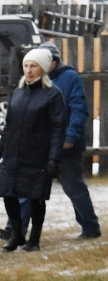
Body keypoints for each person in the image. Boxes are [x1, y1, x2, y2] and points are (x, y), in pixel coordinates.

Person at [0, 49, 66, 252]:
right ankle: (17, 235)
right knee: (8, 193)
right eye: (26, 66)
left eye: (34, 66)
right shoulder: (18, 92)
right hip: (14, 154)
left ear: (43, 69)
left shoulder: (53, 95)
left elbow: (58, 128)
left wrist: (54, 158)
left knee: (35, 197)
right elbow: (8, 126)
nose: (29, 70)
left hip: (37, 155)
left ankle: (34, 239)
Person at [39, 41, 100, 239]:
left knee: (74, 188)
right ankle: (14, 229)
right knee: (30, 187)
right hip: (43, 144)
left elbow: (79, 109)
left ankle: (90, 227)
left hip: (65, 145)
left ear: (55, 60)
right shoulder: (37, 78)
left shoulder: (70, 78)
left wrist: (71, 136)